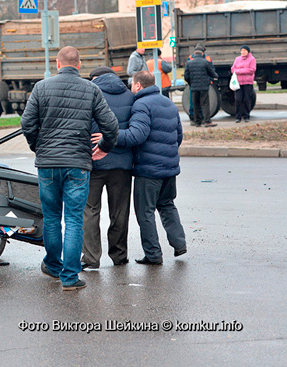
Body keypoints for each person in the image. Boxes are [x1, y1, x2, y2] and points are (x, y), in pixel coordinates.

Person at [21, 46, 118, 291]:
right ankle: (70, 278)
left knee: (52, 217)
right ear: (79, 63)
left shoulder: (41, 87)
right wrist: (104, 146)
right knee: (74, 220)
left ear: (57, 63)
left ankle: (53, 266)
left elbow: (26, 123)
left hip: (48, 164)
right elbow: (111, 125)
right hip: (77, 163)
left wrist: (38, 147)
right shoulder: (91, 89)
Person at [93, 71, 187, 265]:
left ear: (138, 86)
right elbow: (179, 135)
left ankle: (153, 255)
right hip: (169, 167)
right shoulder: (168, 103)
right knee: (167, 205)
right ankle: (179, 243)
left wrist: (109, 137)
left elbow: (137, 135)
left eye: (132, 85)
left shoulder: (141, 104)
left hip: (148, 170)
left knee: (145, 212)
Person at [80, 67, 135, 270]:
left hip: (93, 161)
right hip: (122, 164)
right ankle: (119, 255)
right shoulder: (130, 96)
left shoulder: (90, 93)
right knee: (120, 211)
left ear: (95, 78)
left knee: (90, 211)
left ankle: (91, 258)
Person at [184, 45, 218, 127]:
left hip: (194, 87)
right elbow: (212, 73)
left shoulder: (189, 63)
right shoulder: (205, 62)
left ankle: (197, 122)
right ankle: (207, 121)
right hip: (204, 87)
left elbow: (186, 76)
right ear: (202, 53)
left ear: (194, 53)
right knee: (205, 104)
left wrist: (191, 83)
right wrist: (214, 77)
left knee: (195, 104)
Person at [231, 45, 257, 123]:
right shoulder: (237, 59)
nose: (243, 52)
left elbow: (252, 70)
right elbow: (233, 69)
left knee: (247, 99)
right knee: (238, 99)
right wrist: (241, 71)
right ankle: (238, 117)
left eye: (244, 50)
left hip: (247, 82)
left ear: (248, 51)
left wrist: (239, 71)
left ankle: (246, 116)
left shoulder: (252, 59)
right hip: (238, 83)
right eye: (242, 50)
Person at [188, 43, 213, 118]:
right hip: (203, 84)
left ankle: (195, 118)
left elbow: (187, 73)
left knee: (194, 102)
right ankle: (203, 118)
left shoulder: (190, 58)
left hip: (193, 84)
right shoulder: (207, 58)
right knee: (204, 102)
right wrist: (208, 81)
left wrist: (190, 82)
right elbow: (211, 70)